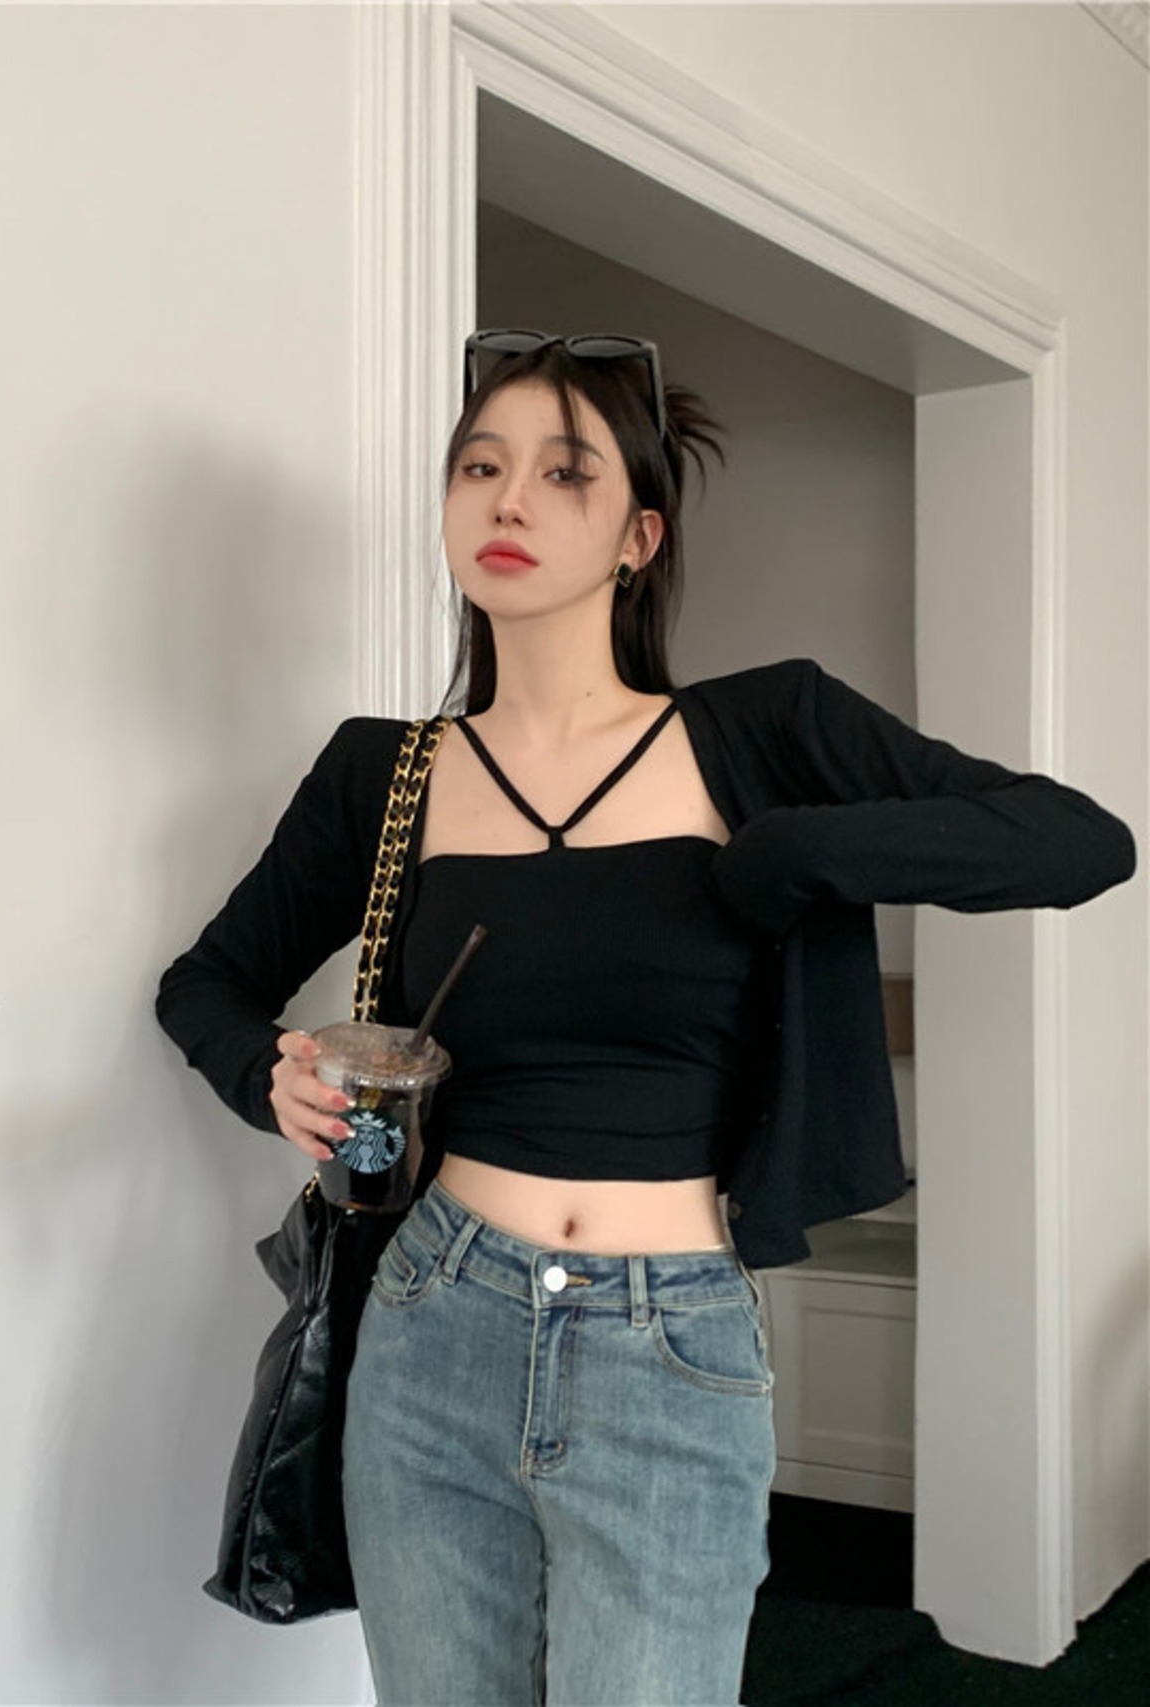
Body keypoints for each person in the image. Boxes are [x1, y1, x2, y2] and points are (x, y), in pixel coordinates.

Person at [155, 330, 1137, 1706]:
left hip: (668, 1343)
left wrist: (795, 853)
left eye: (566, 473)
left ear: (638, 535)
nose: (510, 499)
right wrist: (270, 1074)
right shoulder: (387, 774)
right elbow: (204, 983)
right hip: (432, 1325)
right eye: (480, 467)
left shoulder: (763, 730)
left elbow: (1080, 840)